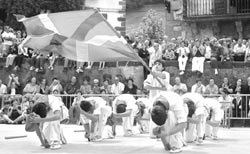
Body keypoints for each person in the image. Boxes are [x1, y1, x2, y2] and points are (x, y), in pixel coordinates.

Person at [144, 59, 172, 138]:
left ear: (163, 67)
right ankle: (154, 133)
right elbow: (146, 86)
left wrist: (155, 73)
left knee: (164, 116)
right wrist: (157, 87)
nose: (157, 65)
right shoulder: (150, 76)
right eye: (155, 64)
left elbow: (162, 76)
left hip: (164, 100)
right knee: (154, 115)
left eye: (159, 64)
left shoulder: (166, 74)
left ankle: (164, 133)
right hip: (153, 99)